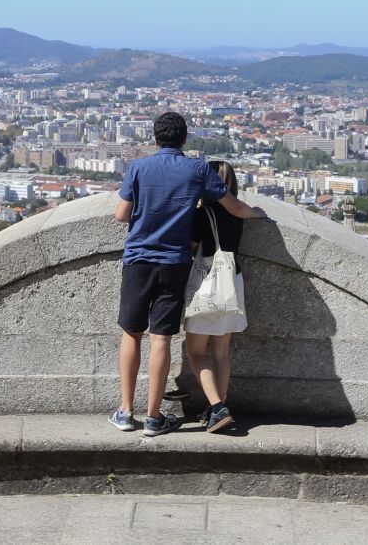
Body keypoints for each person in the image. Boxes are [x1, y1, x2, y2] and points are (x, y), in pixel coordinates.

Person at [109, 112, 266, 437]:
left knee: (131, 334)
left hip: (138, 259)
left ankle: (125, 412)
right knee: (162, 338)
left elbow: (121, 215)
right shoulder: (196, 169)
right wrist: (256, 214)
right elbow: (232, 205)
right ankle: (153, 419)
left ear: (155, 138)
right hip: (175, 262)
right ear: (184, 139)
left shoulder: (138, 168)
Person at [185, 161, 246, 433]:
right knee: (221, 353)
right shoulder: (239, 213)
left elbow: (193, 246)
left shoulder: (202, 215)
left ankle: (217, 407)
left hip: (207, 284)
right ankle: (217, 409)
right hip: (232, 283)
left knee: (196, 352)